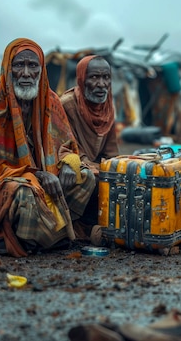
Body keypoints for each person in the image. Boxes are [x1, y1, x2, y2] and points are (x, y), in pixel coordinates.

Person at [0, 38, 96, 258]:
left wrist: (67, 163)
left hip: (45, 182)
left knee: (84, 177)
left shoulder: (51, 102)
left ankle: (46, 234)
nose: (26, 73)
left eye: (33, 66)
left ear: (41, 70)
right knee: (23, 194)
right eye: (19, 65)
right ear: (8, 69)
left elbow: (67, 146)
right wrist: (36, 175)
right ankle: (35, 237)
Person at [60, 55, 119, 233]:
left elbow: (112, 153)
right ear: (82, 78)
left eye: (106, 77)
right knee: (89, 178)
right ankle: (75, 227)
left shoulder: (107, 107)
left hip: (96, 166)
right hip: (73, 164)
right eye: (94, 77)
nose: (101, 83)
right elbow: (64, 147)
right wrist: (95, 168)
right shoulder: (67, 105)